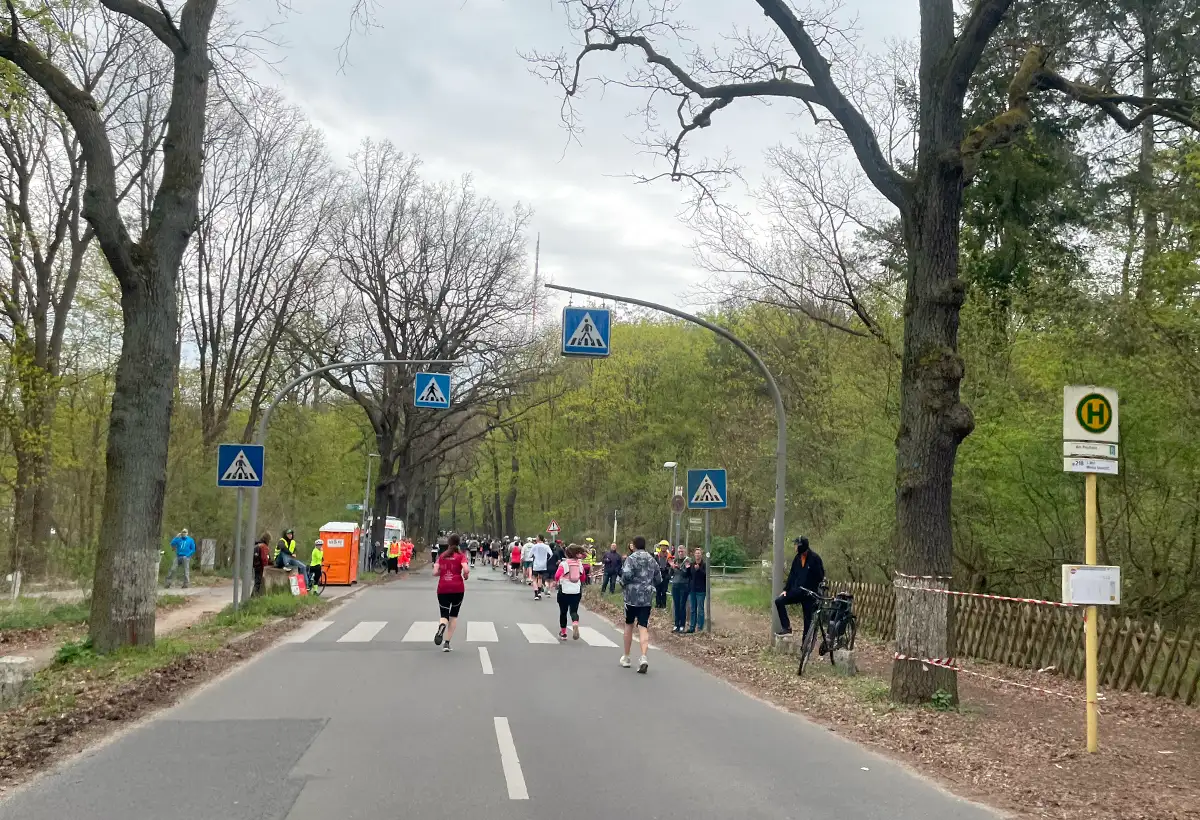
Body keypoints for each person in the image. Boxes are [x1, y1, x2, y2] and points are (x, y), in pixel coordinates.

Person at [620, 536, 661, 673]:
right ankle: (643, 657)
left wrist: (623, 584)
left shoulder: (631, 559)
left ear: (635, 546)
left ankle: (626, 657)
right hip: (646, 598)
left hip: (631, 597)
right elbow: (658, 578)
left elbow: (626, 576)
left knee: (629, 625)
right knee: (643, 626)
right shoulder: (651, 559)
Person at [774, 537, 825, 637]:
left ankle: (804, 648)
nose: (795, 547)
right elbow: (792, 575)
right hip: (797, 591)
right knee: (779, 601)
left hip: (809, 594)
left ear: (801, 546)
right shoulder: (797, 558)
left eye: (796, 545)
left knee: (807, 621)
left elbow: (820, 576)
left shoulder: (814, 558)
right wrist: (786, 589)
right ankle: (786, 627)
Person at [434, 534, 470, 652]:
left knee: (444, 614)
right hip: (457, 588)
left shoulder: (442, 556)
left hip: (443, 587)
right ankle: (447, 643)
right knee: (453, 615)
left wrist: (443, 572)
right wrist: (465, 575)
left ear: (448, 543)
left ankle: (442, 625)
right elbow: (466, 569)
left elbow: (435, 572)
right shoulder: (461, 556)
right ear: (458, 543)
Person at [555, 545, 586, 640]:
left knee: (563, 612)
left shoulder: (564, 564)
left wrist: (557, 581)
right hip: (576, 590)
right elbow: (583, 577)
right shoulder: (579, 564)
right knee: (573, 611)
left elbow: (557, 576)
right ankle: (575, 623)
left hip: (564, 590)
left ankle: (563, 633)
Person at [686, 547, 708, 633]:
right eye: (696, 553)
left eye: (699, 553)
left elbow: (705, 575)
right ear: (694, 555)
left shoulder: (704, 565)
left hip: (701, 590)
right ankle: (692, 627)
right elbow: (689, 576)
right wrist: (687, 569)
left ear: (701, 555)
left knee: (700, 609)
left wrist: (699, 570)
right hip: (693, 590)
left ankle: (700, 628)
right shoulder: (692, 564)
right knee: (692, 609)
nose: (697, 554)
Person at [670, 547, 691, 633]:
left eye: (682, 551)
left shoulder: (687, 560)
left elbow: (686, 574)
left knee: (682, 605)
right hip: (675, 585)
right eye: (679, 551)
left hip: (684, 585)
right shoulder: (675, 560)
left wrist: (679, 568)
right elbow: (671, 574)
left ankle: (682, 625)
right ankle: (676, 625)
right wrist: (672, 567)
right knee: (676, 605)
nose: (680, 553)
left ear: (685, 552)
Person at [528, 535, 553, 600]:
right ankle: (539, 592)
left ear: (538, 539)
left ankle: (536, 594)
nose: (536, 539)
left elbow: (530, 555)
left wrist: (533, 556)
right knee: (540, 578)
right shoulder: (546, 546)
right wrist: (546, 559)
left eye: (536, 538)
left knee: (534, 579)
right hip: (543, 565)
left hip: (536, 565)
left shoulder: (535, 546)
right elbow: (551, 554)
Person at [654, 541, 672, 609]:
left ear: (667, 547)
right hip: (658, 575)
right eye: (662, 546)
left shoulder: (669, 556)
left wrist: (667, 571)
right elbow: (654, 565)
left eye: (665, 546)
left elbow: (671, 566)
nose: (663, 547)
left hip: (665, 575)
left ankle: (663, 605)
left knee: (664, 591)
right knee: (658, 590)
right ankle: (657, 604)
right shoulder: (657, 555)